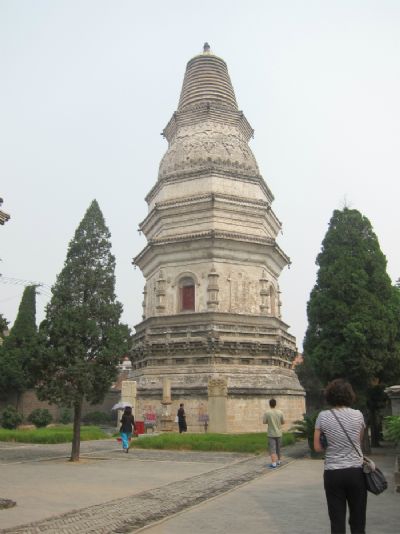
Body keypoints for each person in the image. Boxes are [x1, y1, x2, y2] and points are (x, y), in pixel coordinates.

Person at [314, 379, 367, 534]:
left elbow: (317, 447)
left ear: (329, 395)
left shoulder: (322, 416)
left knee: (337, 520)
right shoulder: (358, 415)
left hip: (333, 473)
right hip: (356, 472)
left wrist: (330, 442)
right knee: (358, 519)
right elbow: (358, 441)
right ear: (350, 395)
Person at [262, 398, 285, 468]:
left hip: (271, 433)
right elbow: (283, 422)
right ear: (275, 404)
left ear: (269, 404)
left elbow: (264, 422)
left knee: (272, 449)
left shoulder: (267, 413)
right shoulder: (280, 412)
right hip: (279, 433)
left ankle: (273, 463)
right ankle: (279, 461)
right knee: (279, 448)